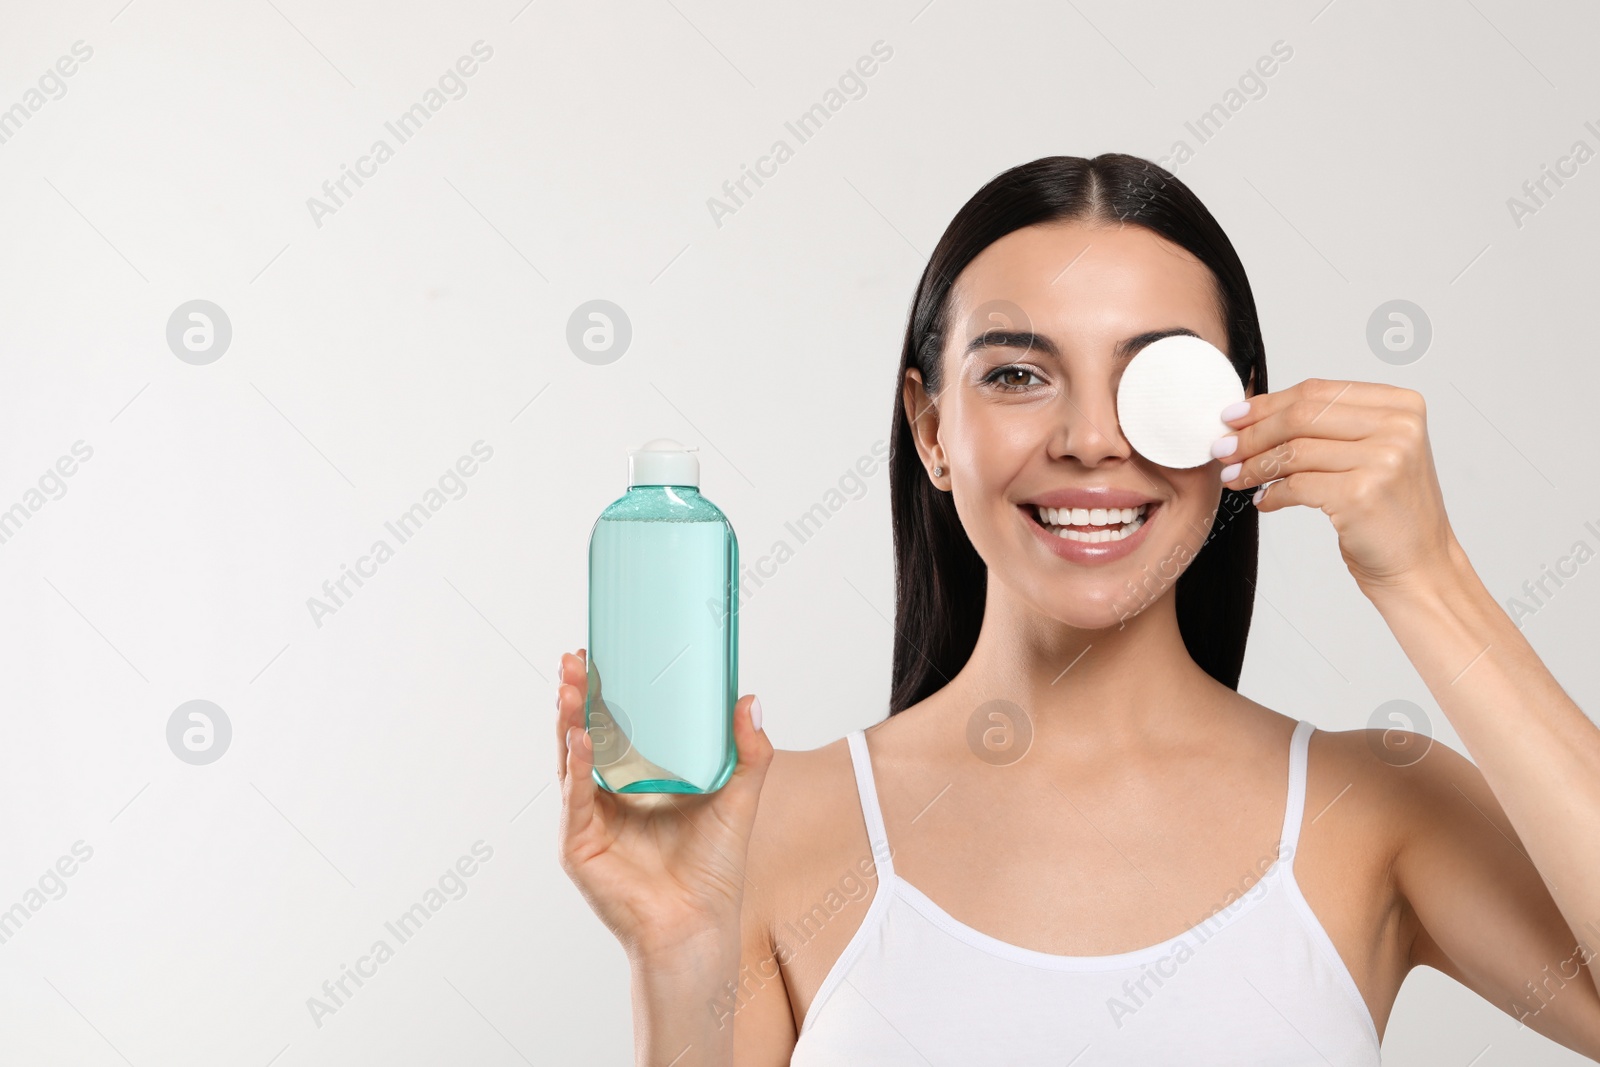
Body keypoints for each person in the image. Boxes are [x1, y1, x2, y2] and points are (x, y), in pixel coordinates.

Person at [555, 154, 1600, 1064]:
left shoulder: (1374, 805)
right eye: (1016, 373)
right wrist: (678, 951)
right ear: (929, 426)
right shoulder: (770, 822)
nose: (1092, 437)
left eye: (1152, 374)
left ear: (1239, 414)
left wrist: (1426, 574)